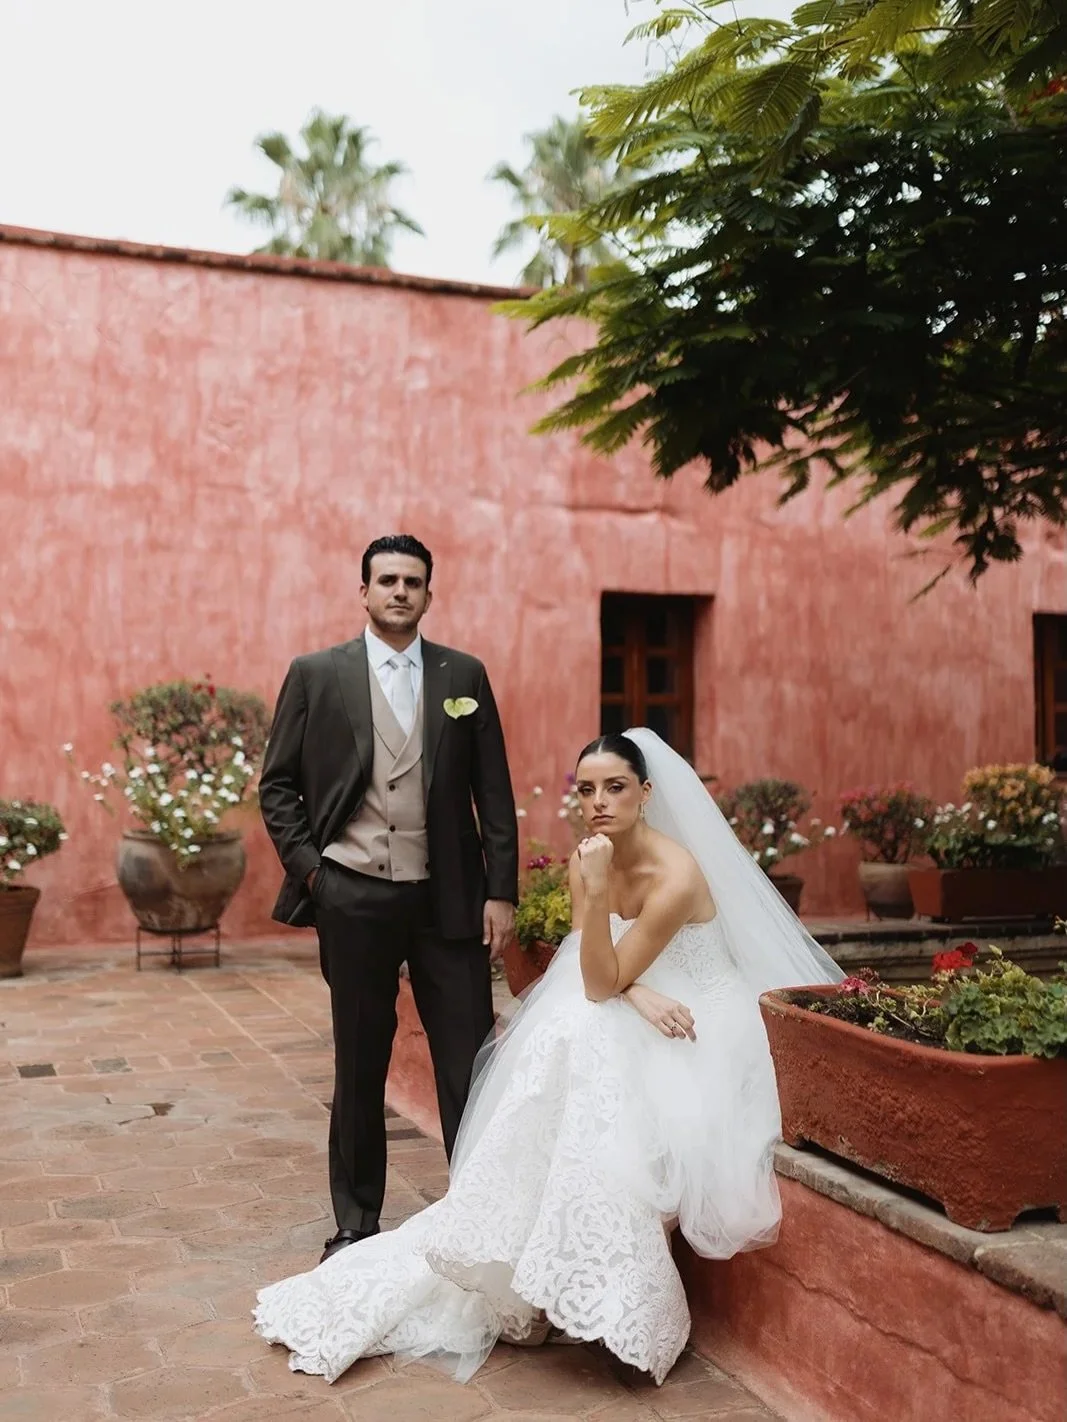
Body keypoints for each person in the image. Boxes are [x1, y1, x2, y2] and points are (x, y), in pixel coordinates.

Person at [254, 729, 842, 1384]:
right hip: (639, 992)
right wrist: (635, 988)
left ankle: (607, 1290)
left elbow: (596, 978)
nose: (597, 802)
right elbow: (599, 975)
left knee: (585, 1031)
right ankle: (531, 1273)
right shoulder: (587, 859)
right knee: (576, 1032)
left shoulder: (675, 874)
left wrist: (623, 975)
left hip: (705, 1013)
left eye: (615, 787)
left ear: (645, 794)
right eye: (585, 790)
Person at [259, 534, 518, 1264]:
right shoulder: (317, 674)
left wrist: (500, 890)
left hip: (448, 899)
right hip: (354, 895)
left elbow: (491, 789)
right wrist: (314, 871)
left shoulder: (462, 674)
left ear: (428, 594)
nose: (400, 591)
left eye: (413, 581)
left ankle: (479, 1211)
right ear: (363, 591)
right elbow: (276, 785)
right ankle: (355, 1222)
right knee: (360, 1059)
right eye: (387, 580)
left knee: (467, 1060)